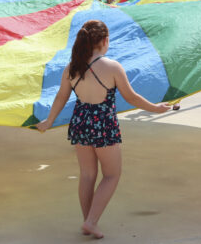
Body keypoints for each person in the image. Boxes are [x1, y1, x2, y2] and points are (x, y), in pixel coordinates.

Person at [35, 20, 170, 239]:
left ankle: (89, 220)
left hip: (80, 122)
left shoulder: (72, 67)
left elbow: (61, 97)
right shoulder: (112, 67)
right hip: (104, 123)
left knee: (87, 174)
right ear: (104, 40)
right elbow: (132, 97)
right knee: (112, 175)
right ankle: (91, 222)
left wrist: (49, 121)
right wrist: (155, 108)